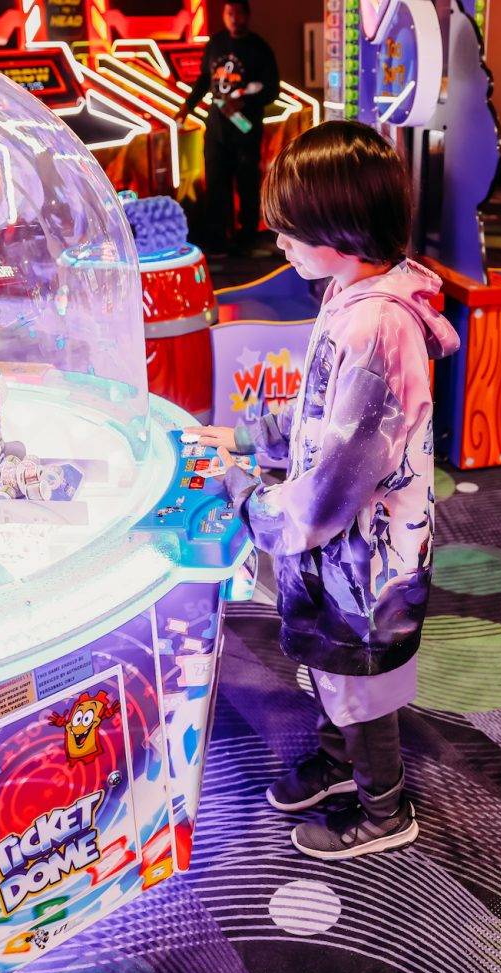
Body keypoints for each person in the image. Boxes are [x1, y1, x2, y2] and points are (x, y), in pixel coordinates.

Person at [194, 121, 460, 859]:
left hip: (368, 562)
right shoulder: (352, 291)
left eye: (290, 231)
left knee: (362, 686)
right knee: (332, 670)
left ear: (339, 231)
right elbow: (319, 418)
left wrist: (246, 496)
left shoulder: (378, 329)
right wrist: (244, 439)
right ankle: (336, 763)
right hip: (343, 555)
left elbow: (329, 491)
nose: (276, 242)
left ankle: (383, 808)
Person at [176, 0, 279, 255]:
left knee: (246, 183)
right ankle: (218, 239)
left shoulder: (259, 48)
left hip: (245, 129)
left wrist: (245, 99)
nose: (234, 19)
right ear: (224, 15)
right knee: (216, 183)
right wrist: (186, 107)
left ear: (247, 15)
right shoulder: (217, 43)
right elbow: (203, 79)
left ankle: (247, 239)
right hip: (217, 129)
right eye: (229, 13)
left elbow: (272, 89)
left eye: (238, 14)